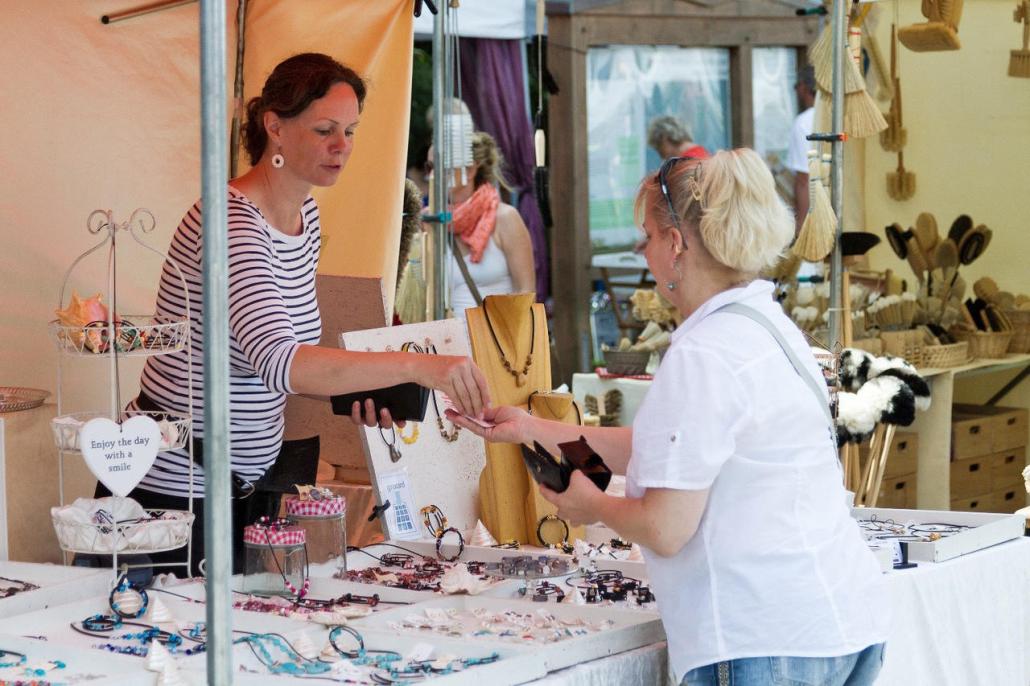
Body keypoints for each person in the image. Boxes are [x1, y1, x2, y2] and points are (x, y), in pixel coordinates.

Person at [449, 149, 889, 686]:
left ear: (677, 245)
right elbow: (670, 446)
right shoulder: (767, 326)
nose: (644, 251)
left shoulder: (705, 352)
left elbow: (664, 527)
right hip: (838, 621)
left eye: (649, 237)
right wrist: (534, 427)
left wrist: (591, 505)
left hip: (762, 637)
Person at [104, 53, 490, 575]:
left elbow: (286, 360)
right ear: (275, 128)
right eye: (325, 130)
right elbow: (286, 363)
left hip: (243, 486)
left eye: (350, 131)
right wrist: (416, 365)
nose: (342, 147)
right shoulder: (231, 226)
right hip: (174, 494)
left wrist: (363, 391)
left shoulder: (302, 215)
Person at [447, 131, 536, 322]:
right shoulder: (431, 223)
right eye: (429, 166)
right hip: (447, 346)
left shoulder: (505, 217)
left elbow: (526, 292)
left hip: (497, 344)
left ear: (470, 170)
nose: (433, 174)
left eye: (443, 165)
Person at [787, 65, 818, 235]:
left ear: (804, 87)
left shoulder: (803, 123)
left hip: (816, 215)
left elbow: (804, 178)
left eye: (796, 86)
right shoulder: (838, 117)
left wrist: (801, 228)